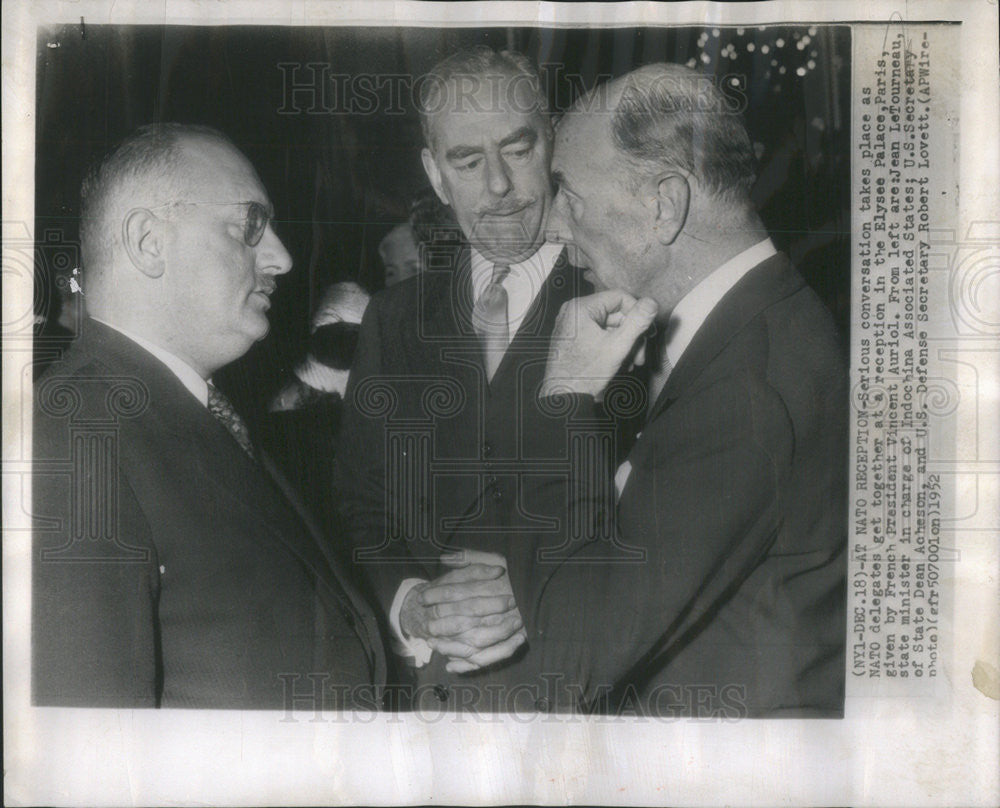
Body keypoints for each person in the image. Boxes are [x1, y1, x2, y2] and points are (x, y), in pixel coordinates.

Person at [519, 63, 847, 716]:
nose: (551, 226)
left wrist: (565, 398)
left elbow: (569, 663)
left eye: (568, 195)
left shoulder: (742, 388)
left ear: (664, 204)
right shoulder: (754, 326)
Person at [32, 123, 386, 709]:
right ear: (149, 241)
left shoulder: (195, 414)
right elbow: (93, 764)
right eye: (250, 225)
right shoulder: (72, 438)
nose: (282, 257)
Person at [336, 47, 638, 711]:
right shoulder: (394, 318)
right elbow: (359, 504)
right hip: (432, 702)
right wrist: (411, 603)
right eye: (467, 162)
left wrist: (540, 589)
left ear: (552, 146)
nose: (497, 186)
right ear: (435, 175)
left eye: (518, 149)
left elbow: (671, 517)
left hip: (583, 701)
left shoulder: (627, 298)